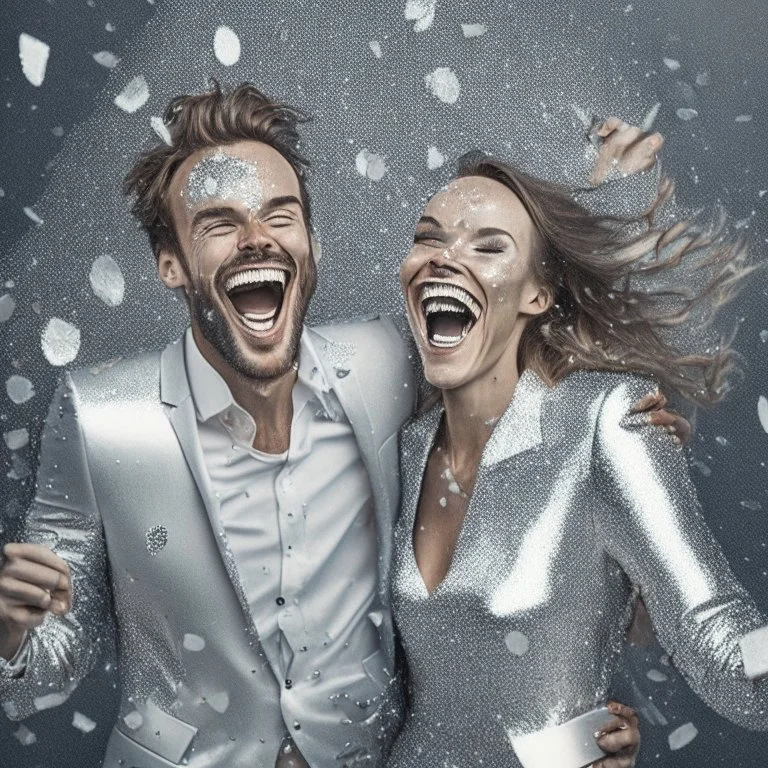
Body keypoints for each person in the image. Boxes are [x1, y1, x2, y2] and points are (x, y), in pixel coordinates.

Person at [0, 83, 666, 768]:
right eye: (220, 224)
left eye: (279, 216)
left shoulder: (387, 365)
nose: (257, 239)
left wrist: (599, 202)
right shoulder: (101, 418)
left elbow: (508, 320)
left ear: (311, 242)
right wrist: (11, 632)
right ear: (170, 263)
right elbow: (50, 661)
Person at [386, 151, 768, 767]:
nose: (444, 257)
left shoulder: (605, 424)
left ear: (538, 294)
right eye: (428, 238)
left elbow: (720, 648)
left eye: (488, 246)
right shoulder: (399, 449)